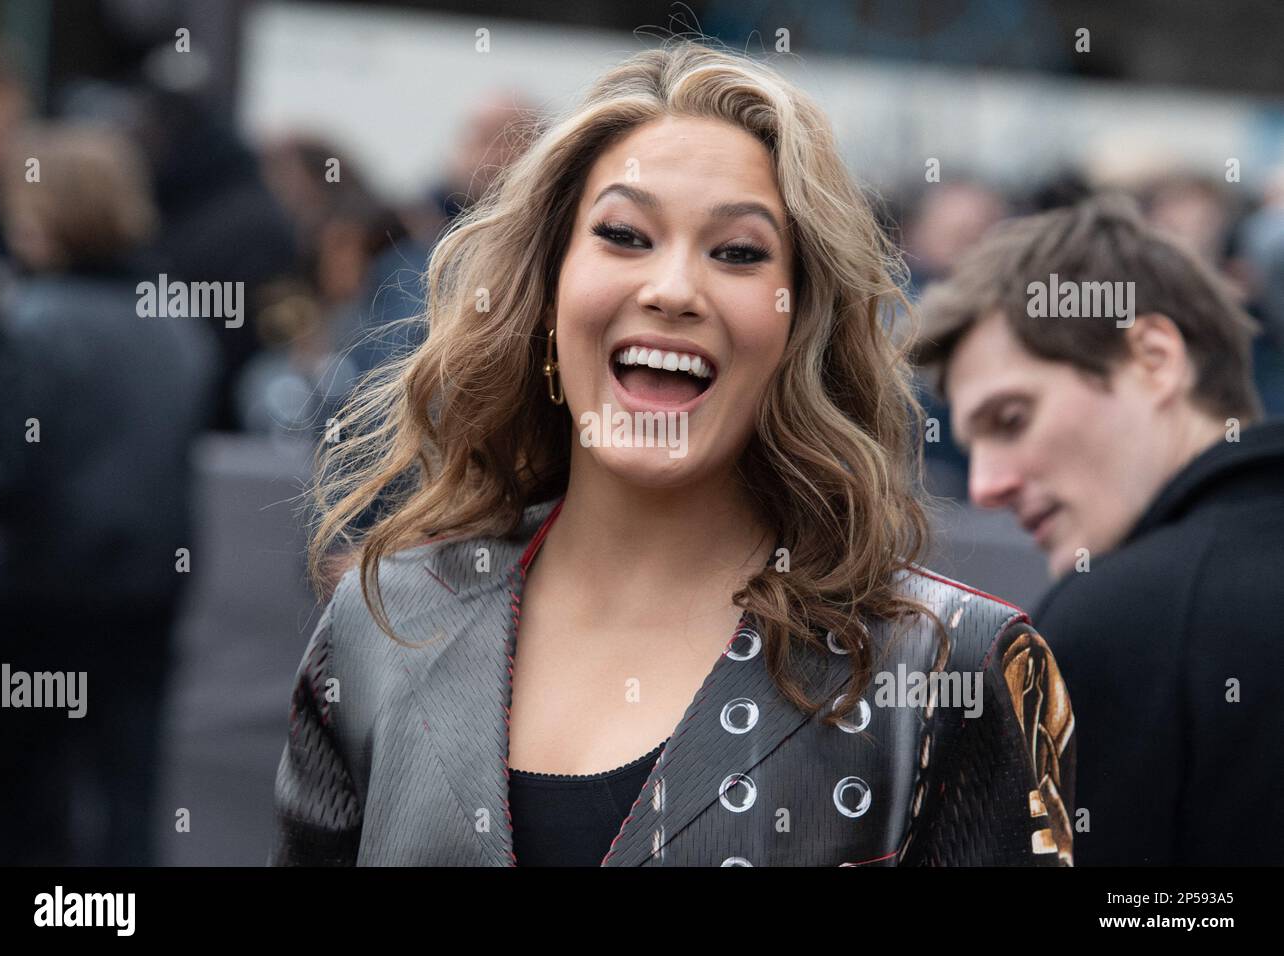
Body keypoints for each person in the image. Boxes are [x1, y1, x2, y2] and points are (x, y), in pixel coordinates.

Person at [270, 39, 1075, 868]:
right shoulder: (385, 624)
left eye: (737, 253)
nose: (673, 289)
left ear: (800, 330)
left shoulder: (951, 668)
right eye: (623, 235)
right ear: (547, 293)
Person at [914, 193, 1284, 865]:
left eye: (1012, 418)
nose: (985, 487)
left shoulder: (1119, 624)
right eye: (972, 446)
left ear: (1153, 357)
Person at [0, 123, 217, 864]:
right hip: (147, 591)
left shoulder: (26, 322)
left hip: (35, 595)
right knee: (130, 791)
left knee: (25, 796)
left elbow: (8, 470)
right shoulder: (177, 326)